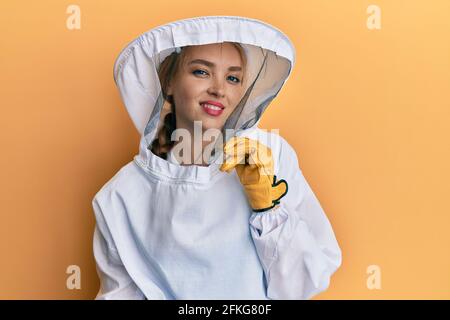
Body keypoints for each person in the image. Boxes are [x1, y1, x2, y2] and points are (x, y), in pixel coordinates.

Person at [92, 15, 342, 300]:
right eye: (201, 72)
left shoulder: (269, 155)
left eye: (233, 78)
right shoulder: (119, 196)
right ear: (168, 82)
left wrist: (267, 207)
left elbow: (304, 283)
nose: (219, 89)